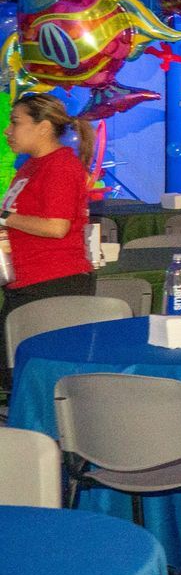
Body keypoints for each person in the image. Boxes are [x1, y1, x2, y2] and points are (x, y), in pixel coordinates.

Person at [1, 93, 97, 392]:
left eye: (15, 123)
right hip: (27, 283)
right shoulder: (31, 167)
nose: (8, 130)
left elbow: (57, 227)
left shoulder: (60, 166)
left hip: (53, 284)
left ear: (43, 127)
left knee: (37, 378)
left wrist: (4, 218)